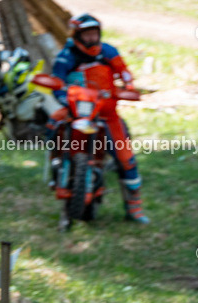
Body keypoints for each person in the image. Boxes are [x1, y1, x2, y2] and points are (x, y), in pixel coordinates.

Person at [49, 13, 149, 228]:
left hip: (106, 115)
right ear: (77, 35)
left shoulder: (108, 51)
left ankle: (134, 207)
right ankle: (55, 167)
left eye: (95, 33)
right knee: (52, 127)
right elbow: (57, 81)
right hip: (76, 112)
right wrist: (62, 98)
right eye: (87, 34)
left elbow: (124, 71)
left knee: (126, 157)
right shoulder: (66, 56)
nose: (92, 38)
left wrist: (128, 86)